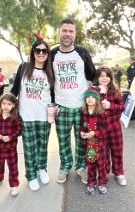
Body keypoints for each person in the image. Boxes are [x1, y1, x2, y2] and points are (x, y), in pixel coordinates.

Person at [46, 18, 96, 184]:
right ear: (59, 32)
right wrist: (53, 105)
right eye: (64, 30)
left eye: (71, 31)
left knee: (82, 140)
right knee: (63, 141)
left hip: (82, 107)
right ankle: (65, 165)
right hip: (62, 107)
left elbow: (92, 76)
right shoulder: (52, 55)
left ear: (75, 34)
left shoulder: (82, 53)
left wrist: (91, 102)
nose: (67, 34)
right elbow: (49, 81)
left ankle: (81, 167)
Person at [9, 33, 53, 191]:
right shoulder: (23, 68)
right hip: (26, 117)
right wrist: (5, 105)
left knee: (43, 146)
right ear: (33, 52)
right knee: (29, 148)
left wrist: (55, 110)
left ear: (48, 54)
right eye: (37, 50)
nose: (41, 53)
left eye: (44, 51)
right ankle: (31, 174)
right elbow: (14, 90)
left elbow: (54, 95)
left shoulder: (50, 72)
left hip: (44, 116)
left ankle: (42, 168)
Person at [94, 67, 127, 186]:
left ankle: (119, 172)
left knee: (117, 149)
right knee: (103, 150)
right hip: (100, 127)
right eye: (101, 76)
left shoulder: (115, 91)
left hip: (114, 126)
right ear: (97, 78)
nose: (104, 78)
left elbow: (122, 107)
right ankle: (105, 171)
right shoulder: (93, 90)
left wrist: (110, 105)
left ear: (110, 78)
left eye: (106, 76)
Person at [0, 94, 22, 196]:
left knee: (13, 167)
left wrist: (10, 137)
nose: (5, 106)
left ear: (14, 105)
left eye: (9, 104)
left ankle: (14, 184)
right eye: (3, 103)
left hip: (10, 149)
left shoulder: (15, 118)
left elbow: (19, 130)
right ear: (0, 104)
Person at [79, 87, 109, 195]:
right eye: (88, 97)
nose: (90, 99)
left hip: (100, 145)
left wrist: (95, 133)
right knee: (90, 164)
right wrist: (82, 133)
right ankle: (91, 182)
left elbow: (105, 129)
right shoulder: (83, 113)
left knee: (101, 165)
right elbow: (82, 126)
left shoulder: (102, 114)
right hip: (89, 145)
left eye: (93, 97)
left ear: (97, 99)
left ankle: (102, 182)